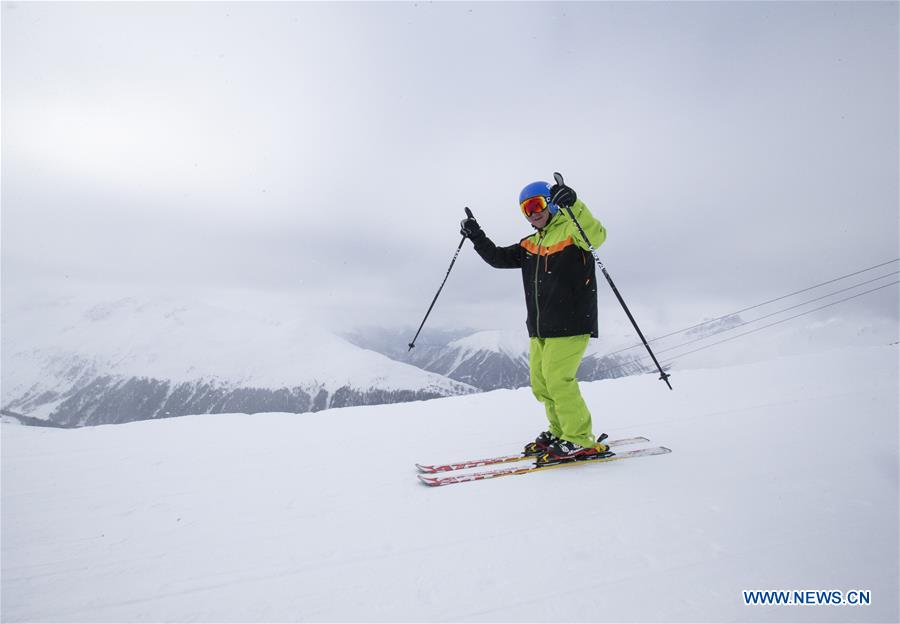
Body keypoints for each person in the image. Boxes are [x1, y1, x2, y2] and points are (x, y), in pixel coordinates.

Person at [460, 177, 609, 464]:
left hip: (572, 322)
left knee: (558, 381)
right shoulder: (530, 244)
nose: (533, 213)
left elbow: (596, 236)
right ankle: (559, 431)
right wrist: (475, 235)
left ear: (551, 203)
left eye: (537, 204)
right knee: (541, 383)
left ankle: (579, 438)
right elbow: (497, 258)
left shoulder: (572, 231)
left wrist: (574, 204)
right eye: (526, 209)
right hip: (541, 328)